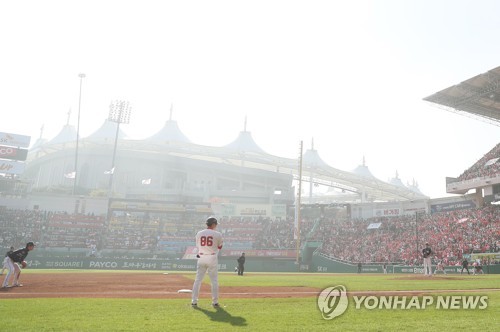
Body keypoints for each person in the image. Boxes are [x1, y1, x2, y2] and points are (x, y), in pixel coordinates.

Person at [191, 217, 223, 308]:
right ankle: (215, 302)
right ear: (213, 224)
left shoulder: (199, 233)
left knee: (198, 280)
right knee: (214, 281)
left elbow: (197, 245)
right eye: (216, 224)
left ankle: (194, 301)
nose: (216, 226)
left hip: (201, 256)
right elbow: (220, 247)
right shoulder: (217, 234)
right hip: (212, 257)